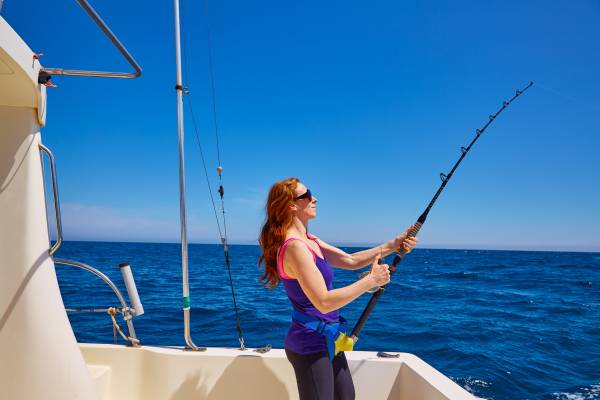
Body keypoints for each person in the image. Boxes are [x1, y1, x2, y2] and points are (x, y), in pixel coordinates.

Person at [258, 177, 418, 400]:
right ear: (291, 205)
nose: (315, 199)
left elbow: (351, 260)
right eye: (307, 196)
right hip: (309, 343)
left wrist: (394, 244)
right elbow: (323, 301)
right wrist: (370, 281)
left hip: (329, 338)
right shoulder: (295, 247)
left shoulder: (310, 240)